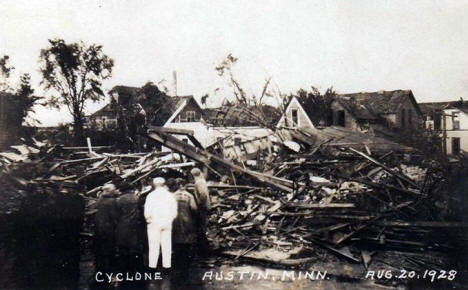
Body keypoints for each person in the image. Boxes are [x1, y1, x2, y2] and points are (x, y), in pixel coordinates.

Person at [144, 177, 178, 269]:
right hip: (167, 222)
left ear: (154, 184)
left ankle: (152, 266)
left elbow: (147, 210)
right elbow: (174, 210)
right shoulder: (170, 195)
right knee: (167, 245)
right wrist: (171, 218)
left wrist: (148, 219)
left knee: (154, 245)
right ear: (163, 184)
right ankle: (167, 265)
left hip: (154, 223)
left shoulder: (151, 195)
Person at [115, 186, 145, 272]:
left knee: (123, 247)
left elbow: (116, 213)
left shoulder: (119, 199)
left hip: (122, 225)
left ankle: (124, 267)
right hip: (135, 225)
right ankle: (136, 267)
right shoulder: (136, 198)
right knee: (135, 247)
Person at [172, 178, 198, 268]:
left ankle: (177, 260)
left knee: (176, 237)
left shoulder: (173, 195)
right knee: (187, 238)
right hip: (187, 219)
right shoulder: (189, 196)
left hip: (175, 219)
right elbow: (194, 208)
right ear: (184, 185)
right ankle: (185, 260)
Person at [94, 183, 118, 273]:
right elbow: (114, 216)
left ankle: (99, 267)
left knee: (99, 248)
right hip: (108, 228)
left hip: (98, 227)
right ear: (110, 191)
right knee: (109, 249)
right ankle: (108, 269)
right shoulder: (112, 201)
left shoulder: (99, 200)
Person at [190, 168, 211, 251]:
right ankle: (203, 246)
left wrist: (199, 204)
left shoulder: (198, 182)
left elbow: (203, 195)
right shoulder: (202, 181)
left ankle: (204, 247)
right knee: (202, 225)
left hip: (202, 206)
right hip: (204, 205)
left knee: (201, 226)